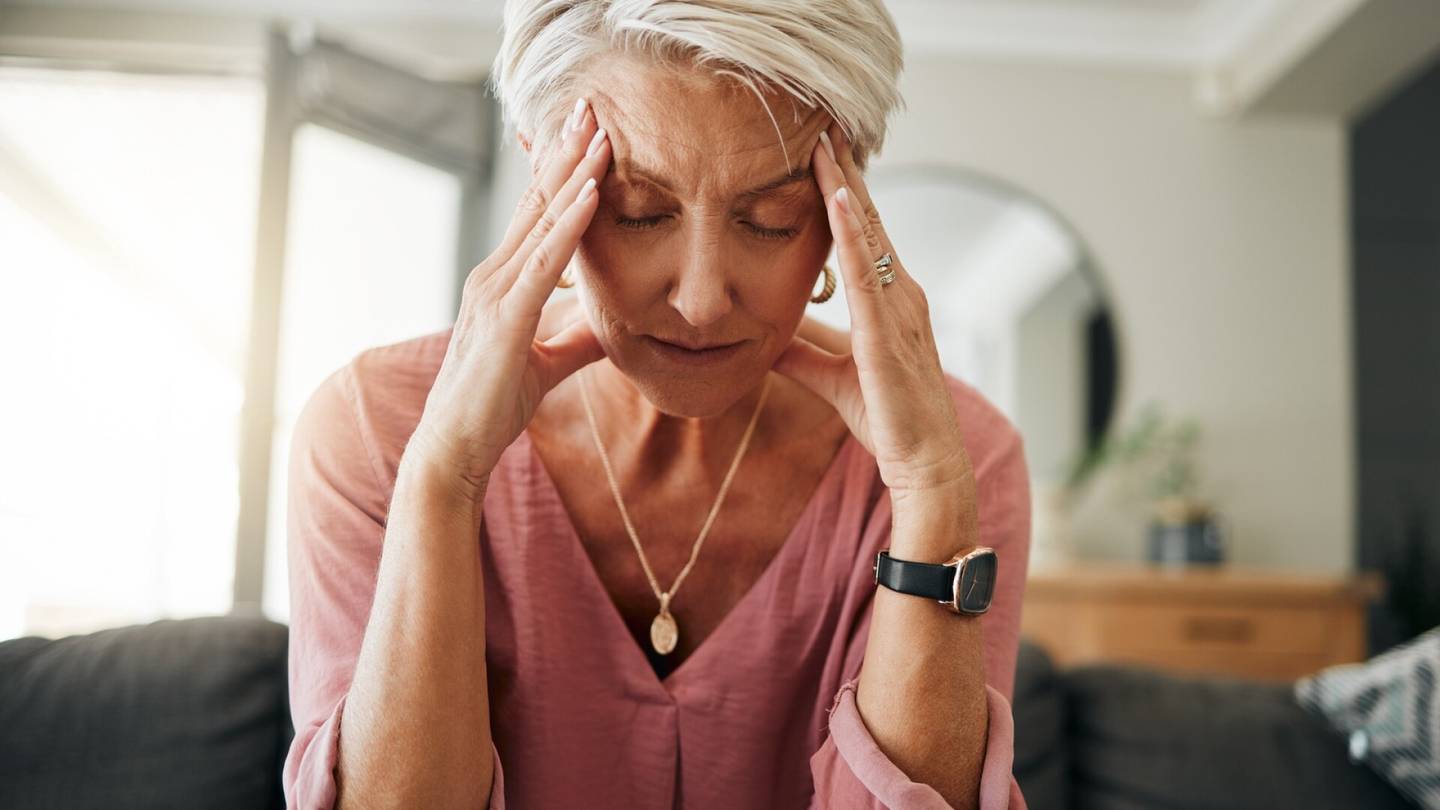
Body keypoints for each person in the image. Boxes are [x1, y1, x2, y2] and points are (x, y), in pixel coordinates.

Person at [282, 1, 1031, 807]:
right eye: (639, 211)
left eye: (771, 220)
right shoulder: (372, 432)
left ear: (844, 202)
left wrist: (930, 490)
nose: (703, 299)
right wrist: (443, 478)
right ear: (545, 177)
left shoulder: (958, 454)